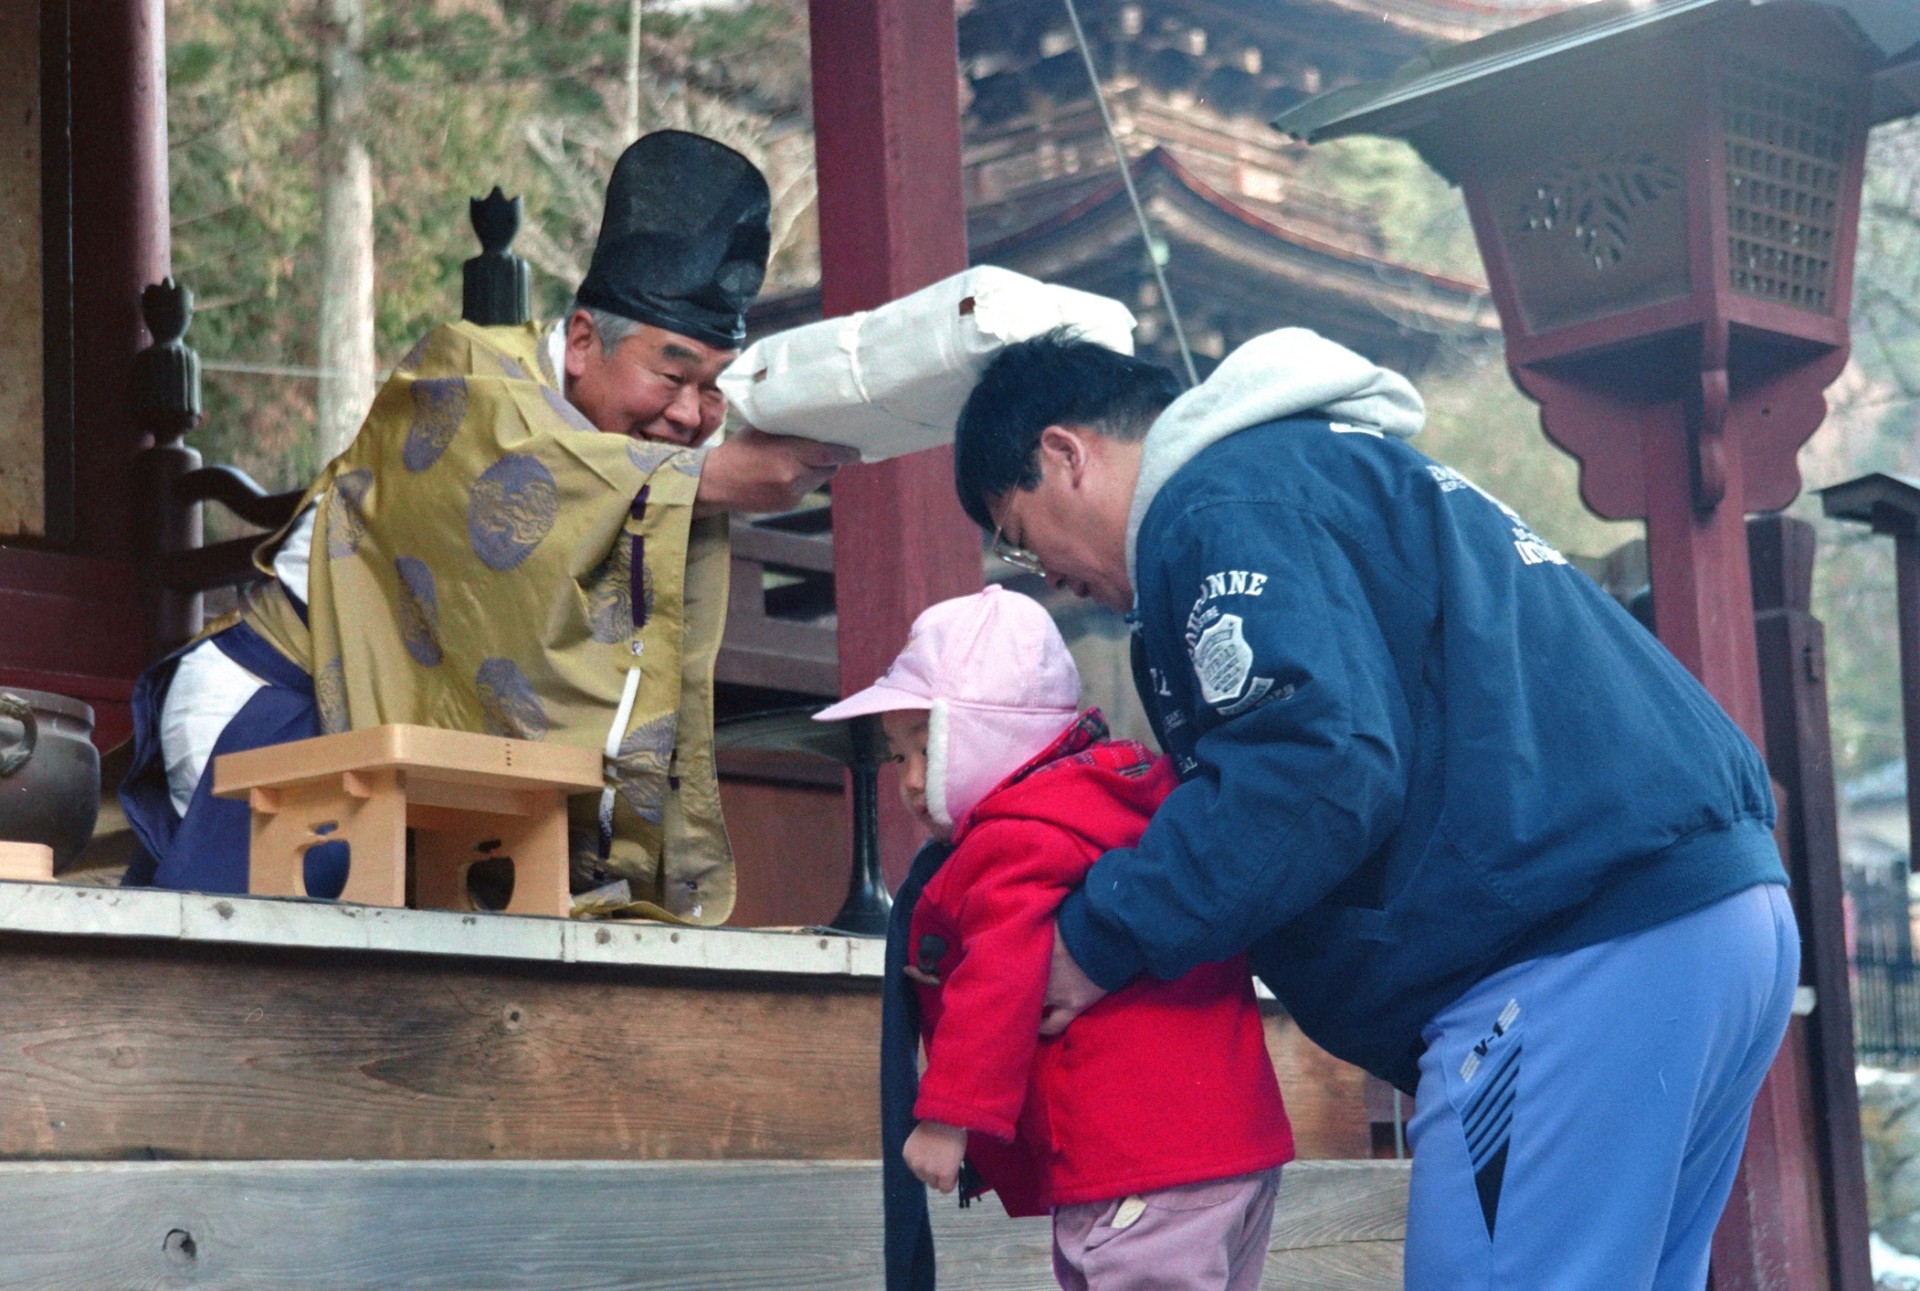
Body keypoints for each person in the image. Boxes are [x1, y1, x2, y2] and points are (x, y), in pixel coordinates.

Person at [950, 327, 1800, 1290]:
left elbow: (1314, 761)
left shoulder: (1211, 504)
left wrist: (1100, 933)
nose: (1048, 576)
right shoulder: (1335, 469)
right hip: (1721, 920)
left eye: (1020, 540)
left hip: (1569, 951)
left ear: (1065, 454)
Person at [120, 130, 855, 921]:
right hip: (282, 701)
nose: (690, 413)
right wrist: (711, 477)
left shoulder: (634, 469)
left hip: (393, 739)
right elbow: (536, 477)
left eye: (715, 391)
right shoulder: (463, 376)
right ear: (580, 342)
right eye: (672, 375)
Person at [817, 585, 1294, 1291]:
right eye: (897, 758)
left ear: (991, 733)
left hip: (1135, 1162)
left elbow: (999, 981)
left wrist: (948, 1120)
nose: (912, 782)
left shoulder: (1012, 840)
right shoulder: (1122, 798)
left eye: (928, 745)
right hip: (1233, 1145)